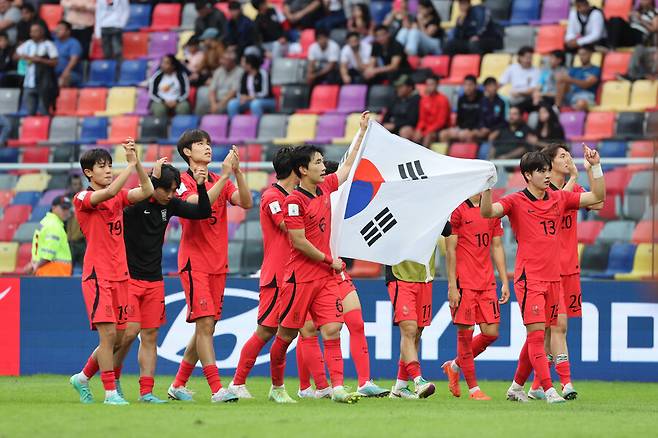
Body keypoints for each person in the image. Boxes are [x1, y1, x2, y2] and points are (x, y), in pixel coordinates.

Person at [480, 147, 605, 404]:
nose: (547, 175)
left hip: (554, 279)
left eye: (548, 170)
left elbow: (597, 196)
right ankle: (548, 390)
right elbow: (487, 212)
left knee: (542, 335)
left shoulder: (558, 198)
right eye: (541, 171)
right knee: (537, 335)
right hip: (529, 279)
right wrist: (487, 187)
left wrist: (595, 167)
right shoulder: (515, 201)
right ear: (527, 175)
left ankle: (516, 387)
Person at [267, 112, 370, 404]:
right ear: (302, 169)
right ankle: (277, 387)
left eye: (323, 162)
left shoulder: (325, 187)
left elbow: (348, 167)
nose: (324, 167)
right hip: (300, 278)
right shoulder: (293, 202)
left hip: (324, 278)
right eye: (317, 163)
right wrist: (329, 260)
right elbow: (298, 241)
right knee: (286, 335)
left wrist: (361, 132)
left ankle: (336, 387)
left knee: (333, 328)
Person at [113, 157, 232, 403]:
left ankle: (146, 392)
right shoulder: (134, 206)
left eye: (174, 189)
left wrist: (200, 185)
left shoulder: (171, 204)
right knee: (127, 334)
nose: (171, 194)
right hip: (129, 277)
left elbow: (202, 211)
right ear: (154, 186)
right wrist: (149, 177)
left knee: (150, 336)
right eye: (166, 188)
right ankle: (102, 378)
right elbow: (139, 193)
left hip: (154, 278)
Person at [167, 130, 252, 403]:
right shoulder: (181, 181)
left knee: (208, 326)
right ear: (187, 153)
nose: (207, 148)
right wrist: (226, 176)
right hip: (195, 262)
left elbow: (247, 202)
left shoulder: (219, 179)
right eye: (200, 144)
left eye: (208, 143)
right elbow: (198, 205)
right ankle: (217, 389)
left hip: (218, 262)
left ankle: (178, 385)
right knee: (204, 323)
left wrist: (236, 173)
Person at [294, 159, 390, 399]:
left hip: (336, 270)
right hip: (309, 272)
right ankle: (310, 387)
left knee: (355, 322)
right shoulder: (308, 200)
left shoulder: (344, 202)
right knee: (307, 330)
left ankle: (365, 381)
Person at [69, 140, 154, 406]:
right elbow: (107, 194)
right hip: (97, 276)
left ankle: (82, 377)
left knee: (123, 335)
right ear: (88, 173)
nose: (107, 170)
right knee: (107, 336)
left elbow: (148, 190)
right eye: (102, 167)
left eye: (109, 166)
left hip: (121, 275)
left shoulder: (118, 194)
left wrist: (136, 162)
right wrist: (127, 166)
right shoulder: (82, 198)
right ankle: (109, 392)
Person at [527, 144, 602, 401]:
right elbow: (555, 206)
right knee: (557, 325)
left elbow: (599, 201)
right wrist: (574, 178)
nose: (568, 158)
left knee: (551, 330)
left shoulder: (574, 189)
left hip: (569, 267)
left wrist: (594, 167)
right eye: (562, 156)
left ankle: (534, 385)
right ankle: (566, 383)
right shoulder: (543, 192)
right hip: (547, 269)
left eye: (568, 155)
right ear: (549, 164)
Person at [229, 147, 299, 398]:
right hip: (277, 275)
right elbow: (287, 227)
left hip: (297, 274)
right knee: (267, 330)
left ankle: (313, 387)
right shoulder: (272, 197)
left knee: (302, 330)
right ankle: (238, 383)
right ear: (295, 169)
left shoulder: (295, 196)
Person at [443, 192, 509, 400]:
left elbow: (497, 246)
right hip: (465, 283)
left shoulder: (493, 211)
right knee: (465, 335)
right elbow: (451, 250)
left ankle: (454, 365)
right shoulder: (458, 210)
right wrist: (452, 286)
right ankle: (474, 389)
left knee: (491, 333)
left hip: (487, 281)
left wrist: (504, 280)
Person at [387, 225, 453, 399]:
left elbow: (447, 229)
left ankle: (400, 386)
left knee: (416, 332)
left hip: (424, 275)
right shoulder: (396, 203)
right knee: (408, 329)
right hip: (399, 273)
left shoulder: (431, 203)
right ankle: (418, 380)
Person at [14, 22, 59, 116]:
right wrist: (24, 57)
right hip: (28, 82)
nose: (32, 34)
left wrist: (40, 60)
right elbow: (15, 56)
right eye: (31, 32)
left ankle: (45, 129)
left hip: (43, 83)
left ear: (42, 32)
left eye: (35, 31)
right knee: (30, 112)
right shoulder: (28, 44)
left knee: (44, 111)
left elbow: (55, 62)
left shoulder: (48, 45)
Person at [29, 195, 73, 277]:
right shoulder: (54, 225)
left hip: (47, 271)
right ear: (54, 207)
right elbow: (48, 253)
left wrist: (34, 264)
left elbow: (37, 246)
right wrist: (36, 266)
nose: (66, 212)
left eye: (68, 209)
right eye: (63, 208)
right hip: (55, 272)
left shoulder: (46, 221)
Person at [227, 54, 275, 118]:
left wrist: (249, 98)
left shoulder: (263, 73)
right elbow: (240, 91)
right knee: (232, 104)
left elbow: (265, 93)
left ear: (249, 64)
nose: (241, 65)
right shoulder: (244, 75)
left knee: (255, 104)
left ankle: (257, 126)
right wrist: (242, 97)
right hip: (249, 100)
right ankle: (235, 125)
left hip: (266, 100)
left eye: (243, 62)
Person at [555, 45, 600, 111]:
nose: (581, 57)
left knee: (580, 103)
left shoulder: (595, 69)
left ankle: (573, 119)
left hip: (586, 95)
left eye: (584, 54)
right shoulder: (574, 69)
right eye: (580, 55)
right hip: (572, 94)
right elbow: (566, 82)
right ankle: (556, 109)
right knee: (561, 81)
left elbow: (586, 84)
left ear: (590, 54)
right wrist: (562, 79)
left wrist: (570, 80)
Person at [439, 74, 482, 143]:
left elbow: (481, 119)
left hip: (476, 129)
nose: (467, 87)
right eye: (465, 85)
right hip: (462, 128)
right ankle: (444, 154)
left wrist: (471, 129)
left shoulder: (482, 99)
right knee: (443, 134)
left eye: (470, 85)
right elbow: (459, 118)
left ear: (476, 86)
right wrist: (460, 128)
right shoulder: (461, 99)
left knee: (465, 135)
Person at [500, 46, 540, 114]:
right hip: (512, 98)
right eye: (527, 58)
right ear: (520, 57)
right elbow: (501, 82)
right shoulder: (512, 68)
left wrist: (519, 93)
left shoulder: (536, 71)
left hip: (527, 98)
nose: (529, 60)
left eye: (530, 58)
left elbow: (533, 89)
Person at [412, 74, 450, 147]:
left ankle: (423, 157)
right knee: (412, 134)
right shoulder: (423, 100)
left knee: (428, 136)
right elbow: (422, 119)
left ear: (437, 85)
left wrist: (426, 131)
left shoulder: (443, 100)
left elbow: (441, 122)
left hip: (439, 129)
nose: (429, 87)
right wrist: (418, 130)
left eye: (431, 84)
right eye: (428, 84)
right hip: (427, 129)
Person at [381, 74, 420, 140]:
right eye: (397, 87)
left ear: (410, 87)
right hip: (393, 125)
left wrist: (395, 125)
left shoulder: (416, 100)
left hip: (406, 127)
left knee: (405, 131)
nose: (398, 89)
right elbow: (387, 114)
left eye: (401, 87)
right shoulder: (395, 98)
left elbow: (412, 120)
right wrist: (383, 124)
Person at [209, 50, 243, 114]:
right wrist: (213, 104)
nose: (221, 62)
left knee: (223, 107)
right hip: (216, 100)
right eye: (222, 59)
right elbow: (212, 90)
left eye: (225, 60)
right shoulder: (218, 71)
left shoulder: (240, 72)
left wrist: (220, 104)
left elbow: (233, 92)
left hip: (229, 100)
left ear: (232, 62)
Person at [478, 76, 507, 142]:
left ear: (497, 87)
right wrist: (482, 127)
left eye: (493, 85)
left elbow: (504, 121)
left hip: (497, 129)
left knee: (492, 137)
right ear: (485, 88)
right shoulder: (482, 102)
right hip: (484, 129)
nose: (492, 88)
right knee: (473, 135)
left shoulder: (502, 102)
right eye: (489, 86)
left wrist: (492, 130)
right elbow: (480, 119)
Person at [54, 21, 83, 87]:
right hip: (55, 73)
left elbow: (74, 60)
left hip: (72, 74)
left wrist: (66, 71)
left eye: (60, 29)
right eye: (57, 28)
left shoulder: (74, 43)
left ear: (68, 31)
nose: (57, 31)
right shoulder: (54, 42)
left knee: (64, 78)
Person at [66, 174, 86, 271]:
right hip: (69, 242)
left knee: (87, 270)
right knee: (68, 270)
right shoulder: (65, 202)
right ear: (70, 186)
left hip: (83, 242)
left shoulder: (86, 199)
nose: (77, 186)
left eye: (79, 184)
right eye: (74, 184)